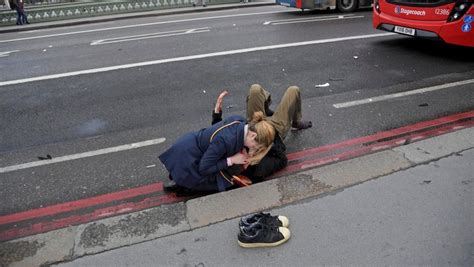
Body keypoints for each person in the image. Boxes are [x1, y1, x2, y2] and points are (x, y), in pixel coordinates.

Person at [212, 84, 312, 182]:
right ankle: (296, 121)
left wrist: (217, 114)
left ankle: (265, 109)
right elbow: (282, 160)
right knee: (293, 90)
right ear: (245, 164)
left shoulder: (232, 151)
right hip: (275, 130)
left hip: (255, 122)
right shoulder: (258, 169)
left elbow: (219, 135)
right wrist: (268, 143)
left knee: (255, 89)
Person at [159, 111, 275, 194]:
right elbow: (204, 168)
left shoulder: (240, 121)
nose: (255, 149)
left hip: (192, 146)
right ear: (253, 135)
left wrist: (216, 115)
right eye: (256, 146)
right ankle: (184, 186)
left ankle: (179, 177)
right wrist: (232, 160)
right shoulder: (225, 141)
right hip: (189, 158)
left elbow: (217, 131)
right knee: (221, 183)